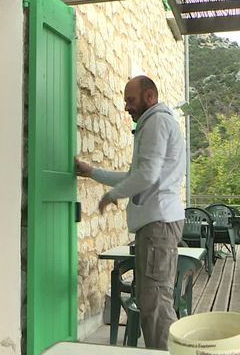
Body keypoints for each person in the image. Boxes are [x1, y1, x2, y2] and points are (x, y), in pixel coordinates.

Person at [75, 75, 185, 350]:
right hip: (158, 224)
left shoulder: (156, 122)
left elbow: (146, 176)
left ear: (150, 96)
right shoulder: (156, 122)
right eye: (125, 101)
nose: (126, 107)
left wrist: (112, 195)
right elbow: (136, 176)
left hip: (158, 225)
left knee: (156, 305)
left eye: (130, 100)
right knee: (153, 303)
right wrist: (92, 173)